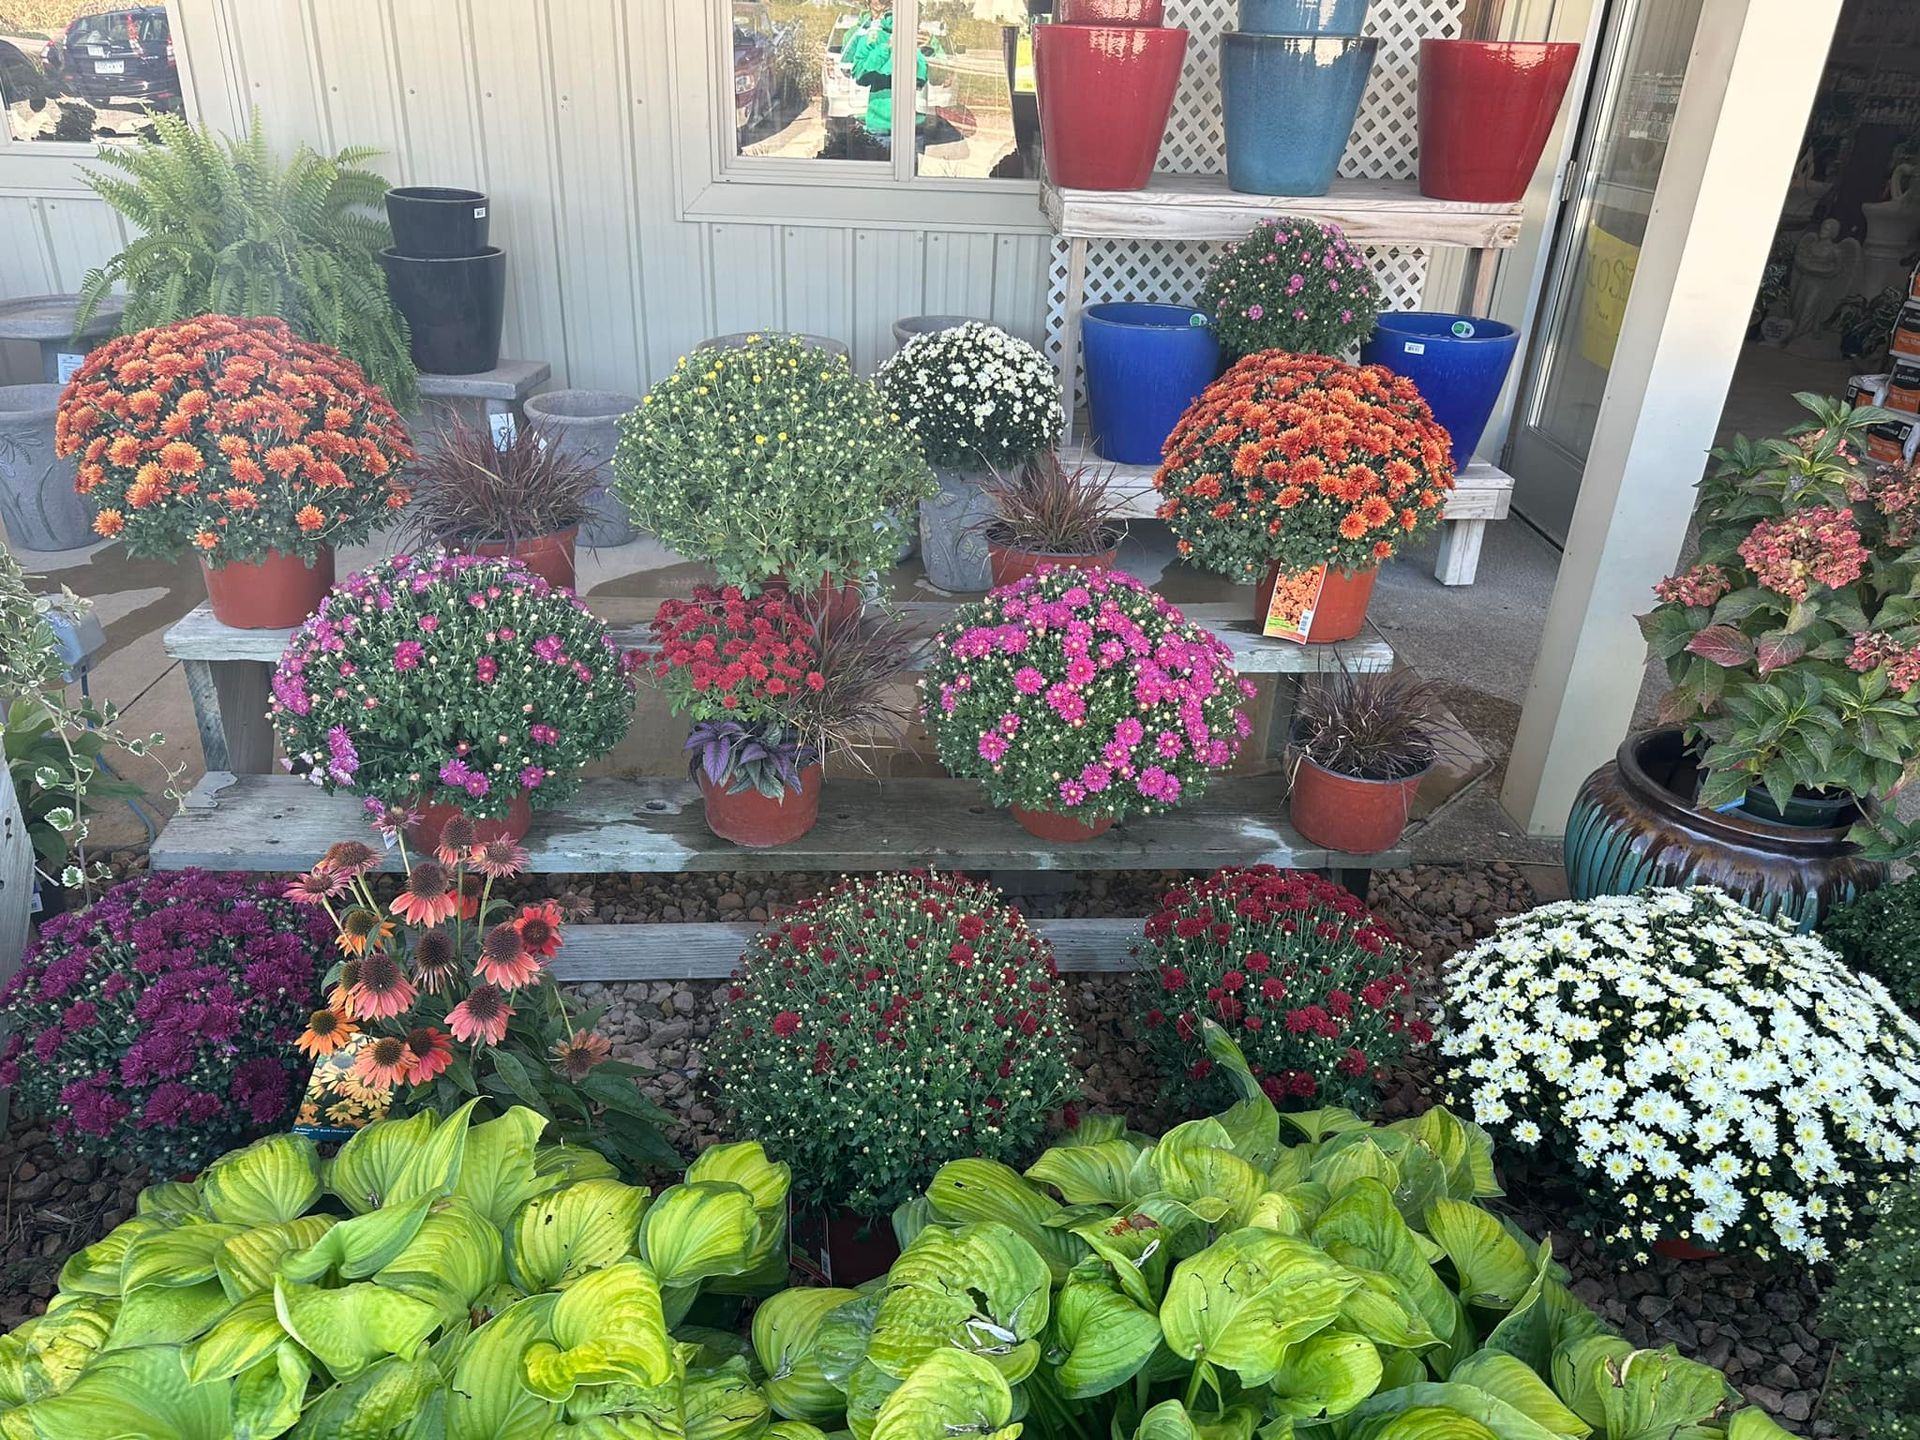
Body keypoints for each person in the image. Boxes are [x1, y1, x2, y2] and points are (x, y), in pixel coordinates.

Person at [844, 0, 927, 150]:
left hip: (913, 127)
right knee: (877, 171)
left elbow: (932, 77)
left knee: (910, 172)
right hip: (880, 127)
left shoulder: (923, 39)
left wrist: (926, 47)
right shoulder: (872, 35)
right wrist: (888, 46)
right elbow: (860, 75)